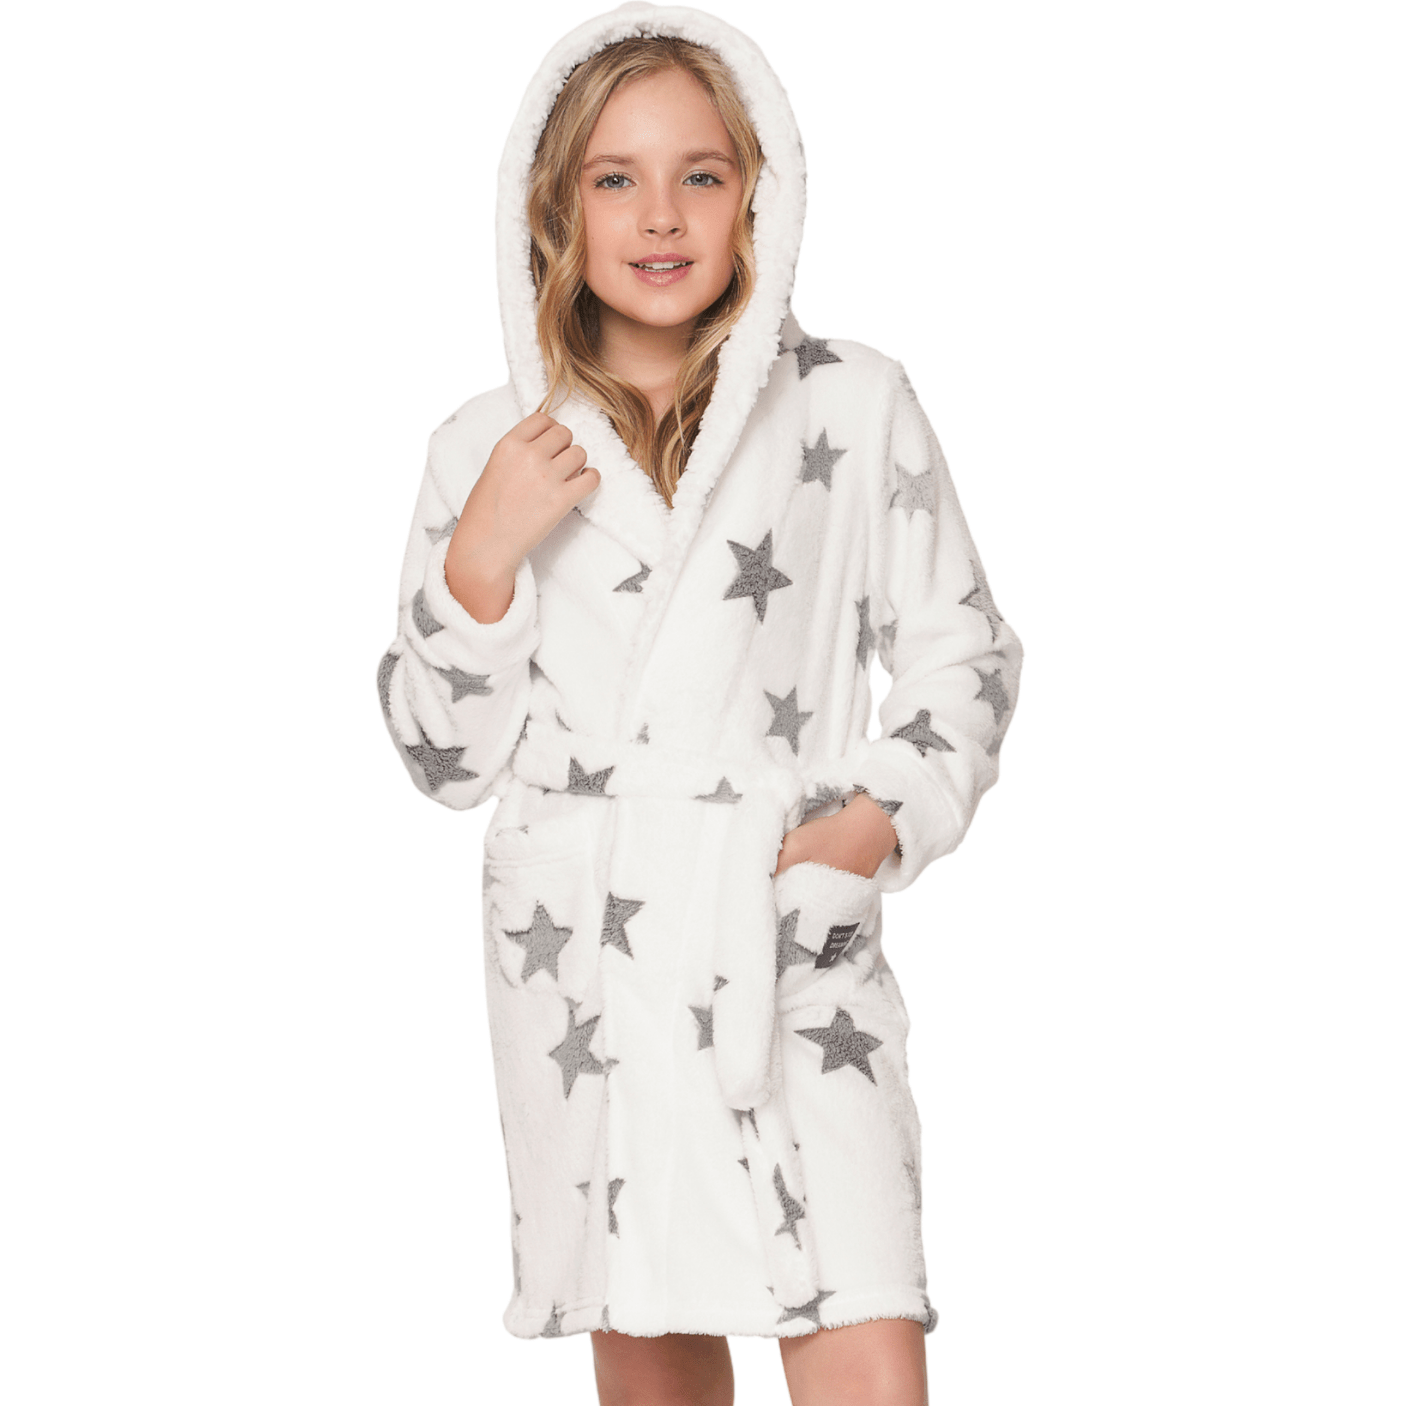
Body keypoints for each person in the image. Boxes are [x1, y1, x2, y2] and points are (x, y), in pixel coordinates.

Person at [375, 5, 1023, 1403]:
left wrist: (866, 828)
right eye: (615, 177)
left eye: (701, 174)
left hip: (781, 941)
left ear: (758, 196)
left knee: (863, 1327)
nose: (660, 215)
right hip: (593, 969)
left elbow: (961, 652)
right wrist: (478, 558)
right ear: (554, 206)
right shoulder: (486, 446)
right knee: (657, 1360)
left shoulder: (852, 405)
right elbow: (443, 759)